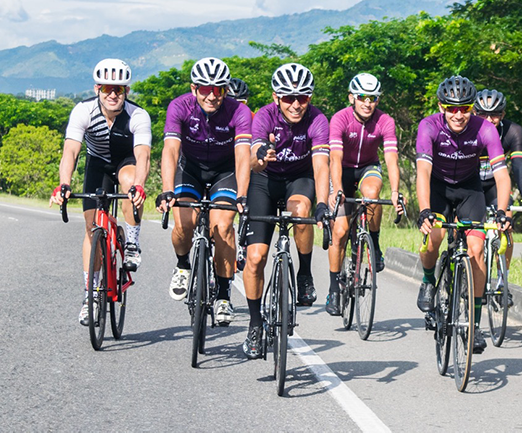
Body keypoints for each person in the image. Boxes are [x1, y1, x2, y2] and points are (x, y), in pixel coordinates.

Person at [49, 58, 152, 326]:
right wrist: (64, 183)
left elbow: (143, 156)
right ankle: (90, 296)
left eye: (119, 89)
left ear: (127, 91)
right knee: (92, 227)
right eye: (108, 89)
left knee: (129, 183)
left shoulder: (137, 116)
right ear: (97, 89)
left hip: (126, 163)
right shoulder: (83, 111)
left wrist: (139, 185)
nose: (113, 94)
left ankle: (131, 242)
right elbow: (70, 151)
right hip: (98, 165)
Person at [415, 75, 512, 354]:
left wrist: (503, 212)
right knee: (434, 237)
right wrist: (424, 211)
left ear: (472, 108)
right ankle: (428, 280)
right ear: (441, 106)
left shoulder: (485, 129)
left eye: (465, 108)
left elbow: (502, 175)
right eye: (451, 108)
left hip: (470, 190)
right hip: (438, 187)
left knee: (477, 250)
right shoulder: (429, 126)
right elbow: (423, 171)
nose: (458, 115)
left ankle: (475, 324)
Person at [242, 63, 330, 359]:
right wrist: (260, 157)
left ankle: (304, 274)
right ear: (276, 97)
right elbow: (253, 160)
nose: (296, 104)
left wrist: (323, 202)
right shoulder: (264, 116)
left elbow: (321, 163)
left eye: (302, 98)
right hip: (265, 181)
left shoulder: (317, 119)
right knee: (255, 258)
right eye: (288, 97)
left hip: (299, 179)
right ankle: (255, 324)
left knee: (300, 210)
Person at [156, 57, 252, 327]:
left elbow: (243, 155)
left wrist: (242, 194)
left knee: (222, 227)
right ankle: (183, 264)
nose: (211, 95)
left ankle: (223, 294)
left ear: (225, 90)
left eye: (218, 89)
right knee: (184, 223)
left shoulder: (238, 112)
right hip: (191, 170)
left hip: (225, 172)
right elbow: (171, 150)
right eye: (204, 89)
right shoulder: (180, 106)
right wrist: (166, 190)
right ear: (193, 88)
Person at [324, 73, 404, 316]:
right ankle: (333, 288)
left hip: (369, 167)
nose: (368, 103)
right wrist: (336, 188)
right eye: (362, 97)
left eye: (373, 98)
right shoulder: (340, 119)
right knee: (339, 231)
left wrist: (395, 191)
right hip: (343, 170)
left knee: (370, 194)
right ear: (352, 98)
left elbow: (391, 158)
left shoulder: (385, 121)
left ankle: (375, 242)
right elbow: (335, 158)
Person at [474, 89, 522, 304]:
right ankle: (464, 271)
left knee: (507, 221)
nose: (489, 120)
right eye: (483, 115)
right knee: (463, 229)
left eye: (495, 115)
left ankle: (503, 281)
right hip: (471, 186)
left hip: (495, 186)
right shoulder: (467, 130)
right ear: (475, 113)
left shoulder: (513, 131)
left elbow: (519, 168)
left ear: (503, 115)